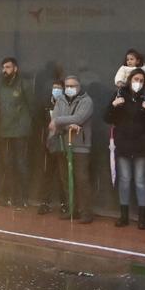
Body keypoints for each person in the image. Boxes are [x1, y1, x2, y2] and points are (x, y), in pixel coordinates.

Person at [108, 68, 145, 228]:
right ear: (129, 80)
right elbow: (107, 117)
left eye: (141, 80)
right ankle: (124, 216)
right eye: (136, 79)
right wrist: (113, 105)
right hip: (123, 144)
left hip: (141, 146)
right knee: (124, 180)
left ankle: (142, 218)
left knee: (141, 181)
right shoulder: (120, 95)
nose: (138, 83)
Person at [47, 75, 94, 222]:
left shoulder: (86, 101)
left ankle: (86, 212)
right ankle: (72, 209)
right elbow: (55, 118)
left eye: (73, 86)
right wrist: (67, 123)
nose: (69, 88)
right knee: (66, 178)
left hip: (80, 146)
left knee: (81, 179)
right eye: (67, 86)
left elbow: (79, 118)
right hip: (63, 144)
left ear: (79, 87)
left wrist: (59, 121)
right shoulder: (60, 100)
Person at [0, 56, 33, 207]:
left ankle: (23, 197)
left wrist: (29, 126)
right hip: (4, 130)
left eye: (8, 67)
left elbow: (32, 106)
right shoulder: (0, 85)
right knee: (7, 164)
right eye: (3, 67)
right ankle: (10, 196)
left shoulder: (24, 84)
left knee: (21, 164)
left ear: (15, 68)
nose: (5, 70)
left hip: (20, 131)